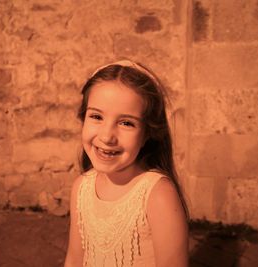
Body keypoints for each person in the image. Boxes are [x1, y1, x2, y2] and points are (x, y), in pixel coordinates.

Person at [65, 60, 189, 267]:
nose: (106, 136)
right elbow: (74, 259)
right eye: (96, 116)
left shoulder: (157, 195)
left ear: (148, 133)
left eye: (126, 123)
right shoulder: (81, 188)